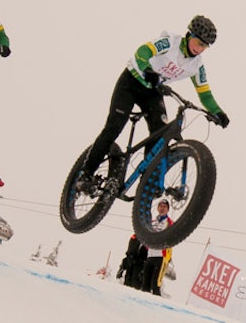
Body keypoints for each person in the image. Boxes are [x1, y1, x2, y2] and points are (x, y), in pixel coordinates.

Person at [78, 16, 229, 185]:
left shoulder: (197, 66)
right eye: (198, 42)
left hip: (153, 90)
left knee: (160, 132)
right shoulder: (170, 43)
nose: (199, 49)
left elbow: (205, 93)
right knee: (114, 126)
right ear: (189, 35)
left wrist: (218, 112)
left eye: (204, 46)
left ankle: (146, 179)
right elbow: (143, 51)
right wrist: (147, 69)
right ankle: (86, 173)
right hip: (131, 82)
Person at [140, 199, 174, 296]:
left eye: (164, 207)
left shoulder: (170, 222)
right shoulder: (152, 221)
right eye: (160, 206)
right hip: (150, 255)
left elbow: (173, 238)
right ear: (157, 208)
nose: (162, 208)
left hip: (162, 257)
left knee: (156, 285)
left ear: (168, 209)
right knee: (145, 284)